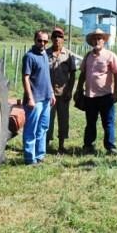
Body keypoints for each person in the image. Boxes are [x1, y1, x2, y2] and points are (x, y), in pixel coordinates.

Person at [74, 28, 117, 155]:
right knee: (90, 122)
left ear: (104, 41)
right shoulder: (88, 56)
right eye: (94, 39)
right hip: (90, 96)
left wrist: (116, 93)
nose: (97, 41)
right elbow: (83, 74)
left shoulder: (111, 55)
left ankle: (111, 147)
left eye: (99, 38)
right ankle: (88, 145)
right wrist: (79, 89)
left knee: (108, 122)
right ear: (91, 41)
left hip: (106, 96)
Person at [22, 30, 56, 165]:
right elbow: (25, 78)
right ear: (34, 40)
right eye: (40, 40)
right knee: (31, 129)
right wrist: (30, 98)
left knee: (43, 128)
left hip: (46, 98)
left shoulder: (45, 55)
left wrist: (51, 93)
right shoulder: (29, 56)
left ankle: (40, 155)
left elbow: (46, 76)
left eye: (45, 41)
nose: (42, 43)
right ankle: (30, 159)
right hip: (35, 100)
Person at [47, 26, 77, 153]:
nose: (57, 39)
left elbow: (73, 74)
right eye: (55, 36)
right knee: (48, 119)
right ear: (51, 38)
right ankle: (46, 144)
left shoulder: (69, 55)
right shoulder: (46, 54)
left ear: (63, 39)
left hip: (63, 93)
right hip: (49, 94)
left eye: (60, 37)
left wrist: (69, 91)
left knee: (63, 119)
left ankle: (61, 145)